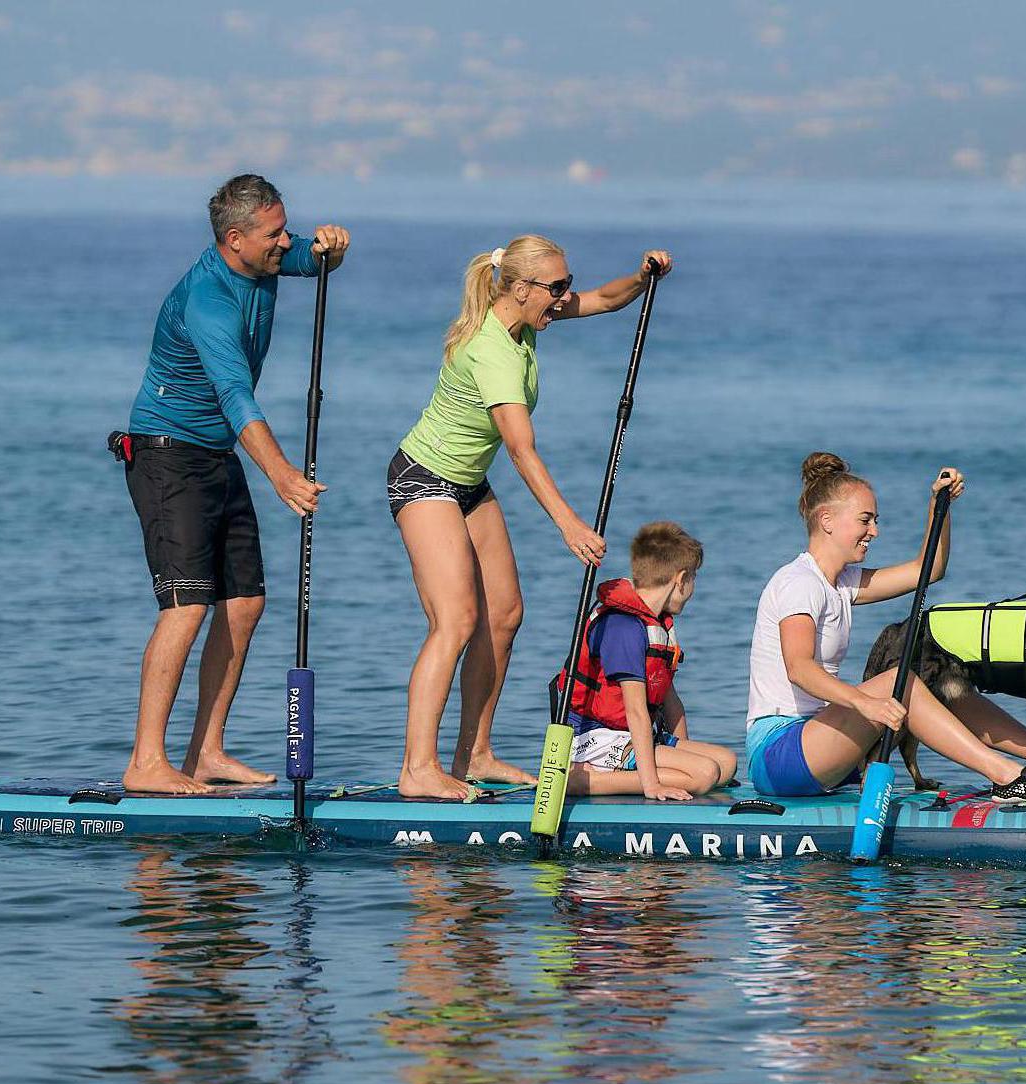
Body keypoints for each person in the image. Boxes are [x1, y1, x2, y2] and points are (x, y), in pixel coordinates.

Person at [389, 236, 673, 801]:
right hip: (423, 478)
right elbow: (521, 450)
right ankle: (418, 767)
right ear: (521, 289)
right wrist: (568, 523)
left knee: (505, 614)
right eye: (556, 287)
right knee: (456, 621)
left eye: (565, 284)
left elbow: (602, 300)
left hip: (468, 483)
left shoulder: (525, 314)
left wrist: (641, 278)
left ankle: (474, 753)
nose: (565, 296)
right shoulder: (492, 350)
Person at [117, 174, 350, 795]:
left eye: (284, 227)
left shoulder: (263, 257)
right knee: (187, 605)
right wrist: (283, 477)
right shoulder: (207, 302)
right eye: (274, 234)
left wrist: (331, 248)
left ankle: (206, 752)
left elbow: (309, 257)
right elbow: (234, 396)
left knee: (244, 603)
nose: (285, 241)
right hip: (168, 456)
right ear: (235, 238)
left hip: (217, 453)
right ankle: (145, 762)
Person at [745, 453, 1026, 803]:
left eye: (875, 521)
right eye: (865, 520)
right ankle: (1008, 776)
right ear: (827, 520)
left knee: (942, 683)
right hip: (779, 754)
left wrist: (939, 505)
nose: (874, 532)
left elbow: (929, 569)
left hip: (824, 744)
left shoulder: (842, 584)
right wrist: (864, 702)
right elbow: (799, 668)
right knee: (900, 680)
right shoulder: (799, 582)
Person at [551, 521, 738, 800]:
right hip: (594, 736)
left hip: (626, 734)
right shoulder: (623, 627)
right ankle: (583, 780)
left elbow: (669, 697)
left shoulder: (656, 623)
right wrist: (652, 785)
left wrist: (679, 750)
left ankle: (640, 772)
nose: (693, 588)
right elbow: (636, 711)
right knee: (704, 774)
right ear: (681, 579)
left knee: (726, 763)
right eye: (694, 578)